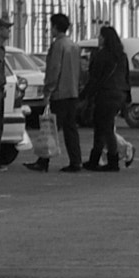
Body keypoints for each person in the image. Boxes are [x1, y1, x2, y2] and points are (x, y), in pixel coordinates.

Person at [28, 12, 83, 172]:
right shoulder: (73, 45)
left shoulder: (58, 45)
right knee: (71, 129)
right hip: (72, 92)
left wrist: (48, 90)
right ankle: (76, 160)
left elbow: (54, 69)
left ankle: (43, 161)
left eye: (51, 26)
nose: (49, 29)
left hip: (59, 93)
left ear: (55, 27)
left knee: (51, 128)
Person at [82, 25, 131, 171]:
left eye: (100, 36)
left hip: (105, 94)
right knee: (104, 126)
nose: (98, 39)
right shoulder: (121, 56)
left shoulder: (101, 55)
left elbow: (95, 78)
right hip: (119, 94)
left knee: (104, 128)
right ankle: (98, 159)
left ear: (105, 39)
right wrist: (128, 97)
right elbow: (127, 77)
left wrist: (84, 95)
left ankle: (111, 161)